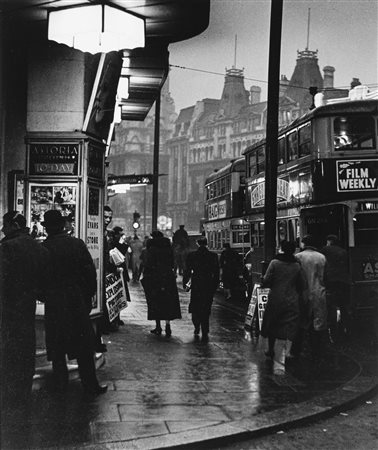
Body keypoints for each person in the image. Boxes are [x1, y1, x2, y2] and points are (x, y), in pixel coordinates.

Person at [41, 210, 107, 395]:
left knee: (58, 347)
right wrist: (86, 298)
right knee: (84, 347)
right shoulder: (76, 244)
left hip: (55, 303)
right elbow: (89, 274)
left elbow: (40, 280)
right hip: (76, 300)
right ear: (63, 226)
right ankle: (90, 385)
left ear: (47, 229)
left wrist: (46, 296)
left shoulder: (44, 248)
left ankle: (60, 385)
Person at [0, 211, 50, 445]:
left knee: (8, 345)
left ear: (12, 225)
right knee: (26, 343)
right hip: (28, 303)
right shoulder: (37, 247)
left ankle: (9, 390)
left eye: (4, 225)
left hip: (8, 304)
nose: (2, 230)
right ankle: (23, 386)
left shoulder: (7, 247)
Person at [260, 240, 307, 360]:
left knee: (272, 323)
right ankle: (288, 352)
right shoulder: (296, 265)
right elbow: (302, 283)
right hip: (292, 298)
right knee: (291, 325)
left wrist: (263, 281)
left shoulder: (274, 263)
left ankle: (270, 349)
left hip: (275, 297)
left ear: (281, 248)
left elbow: (266, 280)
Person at [141, 230, 181, 336]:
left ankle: (158, 326)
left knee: (156, 302)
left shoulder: (152, 249)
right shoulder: (168, 249)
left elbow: (148, 265)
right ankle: (168, 325)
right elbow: (173, 263)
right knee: (168, 302)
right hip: (168, 278)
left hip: (155, 278)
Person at [295, 234, 328, 362]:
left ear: (304, 244)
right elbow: (326, 277)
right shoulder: (322, 257)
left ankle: (297, 350)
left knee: (301, 322)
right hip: (319, 291)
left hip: (302, 293)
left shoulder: (298, 257)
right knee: (318, 323)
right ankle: (317, 351)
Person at [183, 237, 219, 342]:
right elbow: (216, 272)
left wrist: (186, 283)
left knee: (195, 306)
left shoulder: (192, 255)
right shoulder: (213, 256)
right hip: (208, 283)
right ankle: (205, 328)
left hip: (197, 283)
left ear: (197, 244)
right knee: (206, 307)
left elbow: (187, 270)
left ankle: (196, 325)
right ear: (207, 244)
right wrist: (215, 285)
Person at [321, 234, 351, 341]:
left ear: (329, 241)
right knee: (344, 306)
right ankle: (345, 330)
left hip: (331, 282)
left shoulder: (324, 250)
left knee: (331, 307)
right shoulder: (343, 251)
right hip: (343, 282)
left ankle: (333, 333)